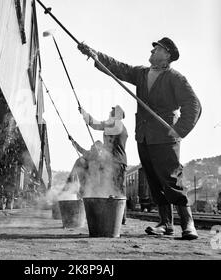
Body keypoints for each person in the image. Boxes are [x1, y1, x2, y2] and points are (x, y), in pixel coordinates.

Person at [78, 37, 202, 240]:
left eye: (158, 49)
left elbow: (193, 104)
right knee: (153, 180)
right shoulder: (142, 73)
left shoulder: (175, 78)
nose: (152, 50)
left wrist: (179, 129)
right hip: (143, 137)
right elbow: (120, 68)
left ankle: (188, 223)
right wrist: (95, 55)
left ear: (167, 55)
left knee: (172, 180)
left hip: (165, 137)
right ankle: (165, 223)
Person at [80, 105, 128, 223]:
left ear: (116, 114)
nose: (109, 112)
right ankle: (118, 217)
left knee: (117, 189)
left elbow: (95, 124)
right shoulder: (116, 125)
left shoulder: (116, 125)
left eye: (112, 111)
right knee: (114, 189)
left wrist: (84, 114)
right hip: (113, 162)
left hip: (116, 162)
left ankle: (120, 218)